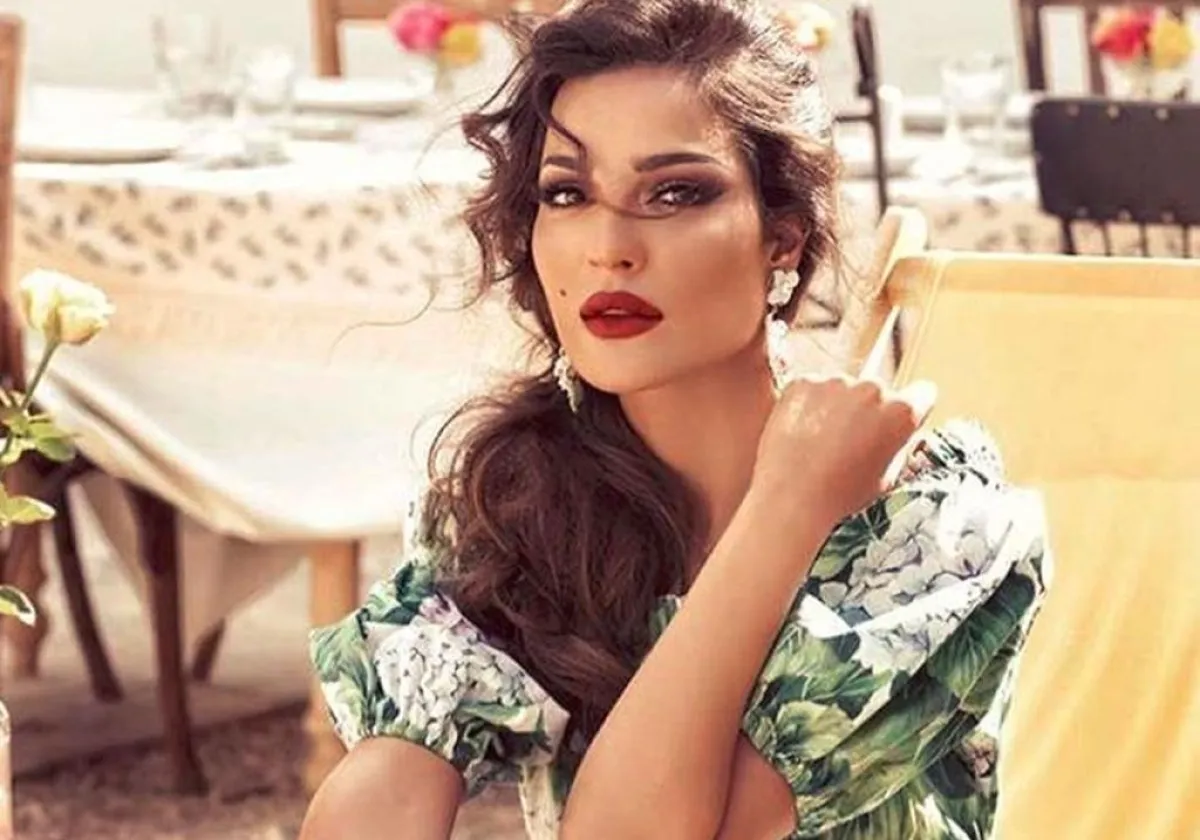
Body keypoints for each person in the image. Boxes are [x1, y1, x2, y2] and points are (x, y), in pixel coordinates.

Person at [299, 1, 1052, 837]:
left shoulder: (931, 528)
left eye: (674, 193)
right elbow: (380, 799)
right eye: (567, 193)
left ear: (783, 238)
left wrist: (788, 508)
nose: (608, 247)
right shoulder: (521, 500)